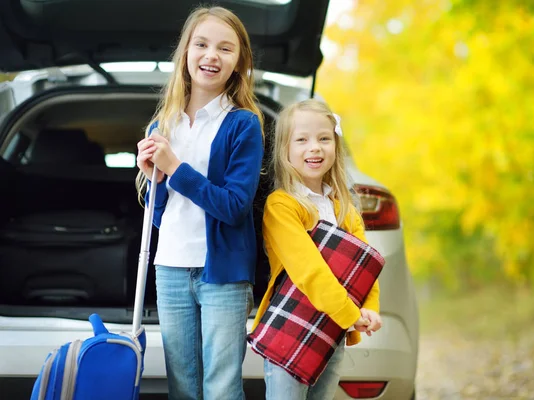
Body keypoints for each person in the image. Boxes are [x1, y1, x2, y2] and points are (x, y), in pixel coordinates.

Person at [134, 6, 263, 400]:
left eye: (225, 48)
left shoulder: (243, 123)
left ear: (239, 62)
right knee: (183, 387)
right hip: (170, 267)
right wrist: (154, 179)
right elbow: (161, 215)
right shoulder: (163, 125)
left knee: (221, 386)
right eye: (202, 44)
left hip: (222, 271)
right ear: (185, 53)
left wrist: (176, 167)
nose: (212, 56)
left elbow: (234, 207)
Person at [251, 99, 382, 400]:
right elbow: (309, 271)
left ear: (336, 147)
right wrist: (351, 314)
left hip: (332, 331)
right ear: (285, 151)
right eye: (302, 140)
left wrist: (369, 308)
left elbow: (366, 266)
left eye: (324, 139)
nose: (315, 147)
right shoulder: (283, 205)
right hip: (290, 327)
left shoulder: (344, 208)